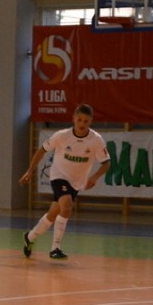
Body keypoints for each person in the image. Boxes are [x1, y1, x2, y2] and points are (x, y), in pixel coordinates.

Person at [18, 103, 110, 260]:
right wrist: (30, 171)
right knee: (67, 206)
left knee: (53, 214)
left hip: (76, 182)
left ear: (91, 121)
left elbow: (106, 162)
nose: (82, 124)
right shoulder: (61, 136)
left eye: (86, 121)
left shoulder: (96, 140)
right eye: (79, 120)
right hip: (58, 176)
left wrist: (94, 177)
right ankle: (55, 248)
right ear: (73, 118)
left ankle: (30, 237)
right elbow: (41, 151)